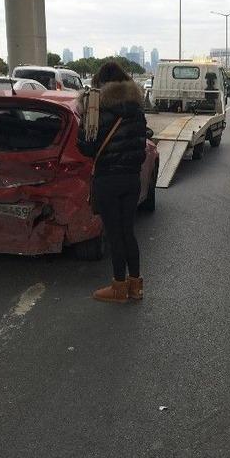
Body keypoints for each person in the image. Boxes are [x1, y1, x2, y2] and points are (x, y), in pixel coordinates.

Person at [77, 62, 148, 303]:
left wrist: (83, 123)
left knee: (115, 234)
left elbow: (86, 148)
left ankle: (118, 287)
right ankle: (136, 285)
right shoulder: (137, 109)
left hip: (108, 180)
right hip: (131, 179)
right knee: (128, 232)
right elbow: (141, 147)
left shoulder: (97, 110)